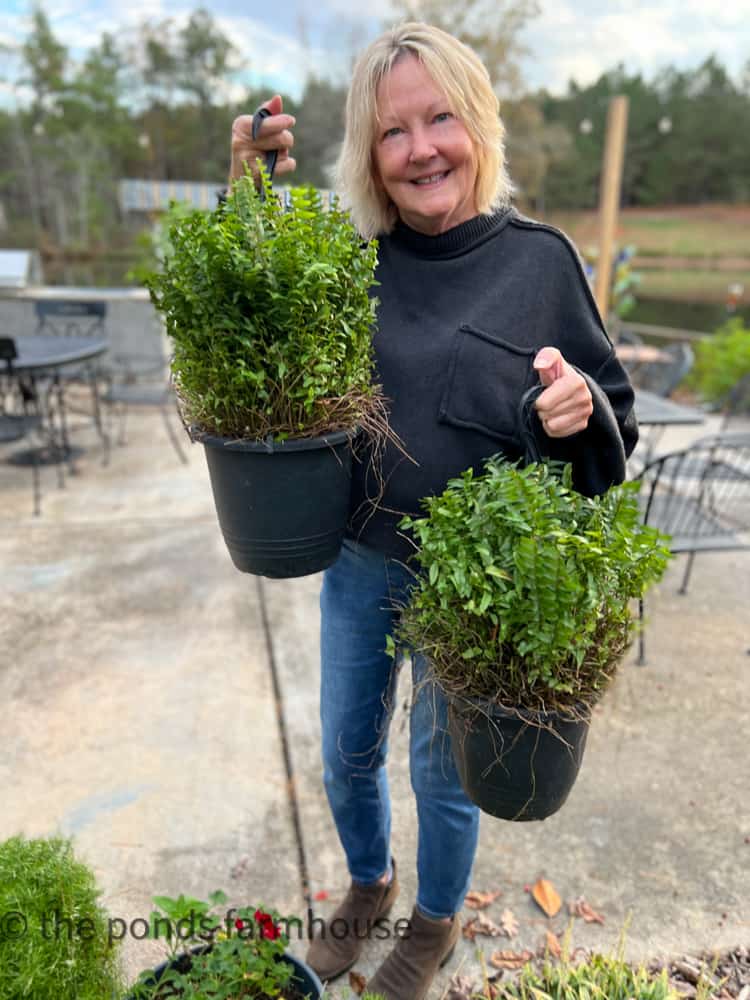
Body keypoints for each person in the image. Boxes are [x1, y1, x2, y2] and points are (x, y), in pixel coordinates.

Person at [229, 22, 637, 1000]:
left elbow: (613, 411)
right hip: (361, 558)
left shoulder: (540, 262)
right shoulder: (350, 257)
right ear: (370, 156)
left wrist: (576, 406)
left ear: (476, 124)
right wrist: (248, 189)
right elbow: (251, 314)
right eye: (392, 131)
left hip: (469, 584)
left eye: (439, 118)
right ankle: (370, 881)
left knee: (444, 771)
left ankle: (437, 916)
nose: (421, 148)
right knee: (344, 753)